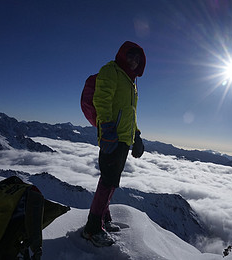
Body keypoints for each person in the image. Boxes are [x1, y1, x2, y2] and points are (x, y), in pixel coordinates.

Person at [82, 41, 146, 247]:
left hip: (123, 139)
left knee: (111, 180)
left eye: (138, 59)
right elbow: (102, 100)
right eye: (131, 56)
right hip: (112, 136)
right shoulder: (111, 70)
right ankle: (92, 228)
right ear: (122, 55)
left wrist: (136, 135)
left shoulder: (131, 82)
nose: (134, 61)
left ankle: (103, 219)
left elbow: (131, 113)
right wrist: (107, 129)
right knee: (108, 181)